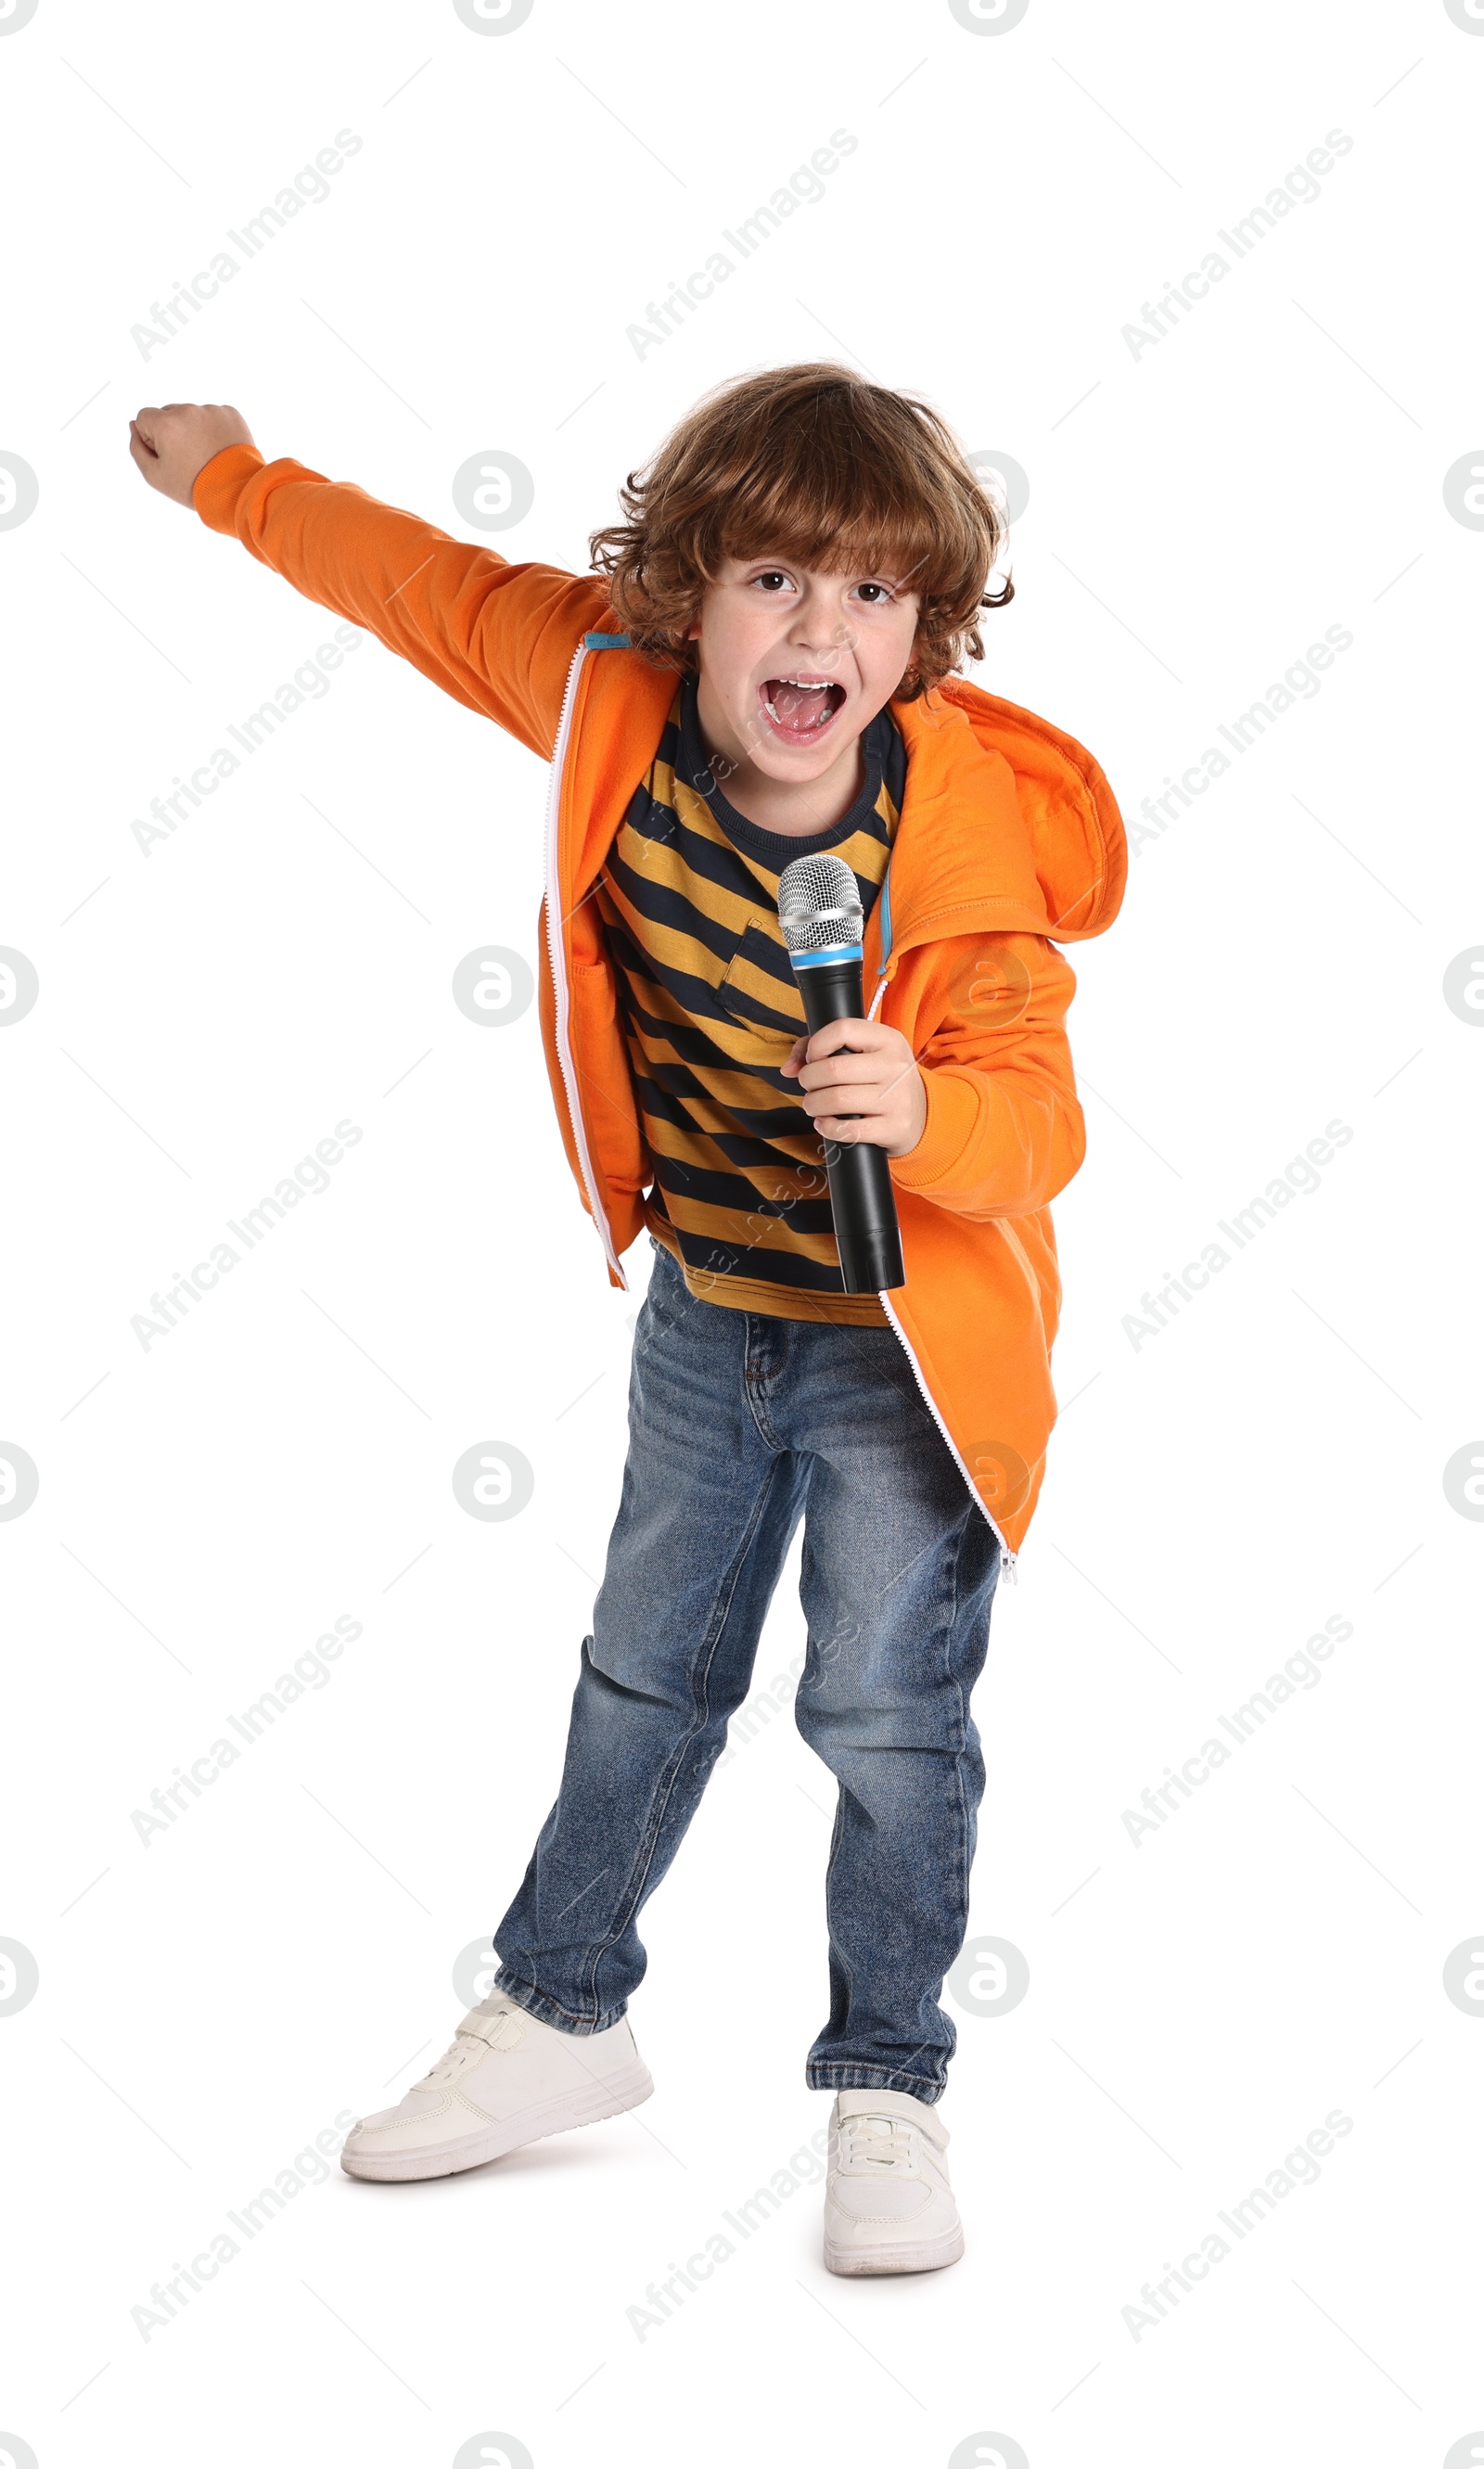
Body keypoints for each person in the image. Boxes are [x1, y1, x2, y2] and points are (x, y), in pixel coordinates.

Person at [129, 365, 1125, 2274]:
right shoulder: (603, 690)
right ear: (685, 592)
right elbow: (412, 583)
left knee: (881, 1710)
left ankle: (885, 2082)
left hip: (901, 1356)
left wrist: (926, 1112)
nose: (813, 628)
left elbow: (1041, 1124)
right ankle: (563, 2010)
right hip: (708, 1314)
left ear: (920, 635)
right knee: (642, 1670)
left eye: (866, 594)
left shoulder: (967, 849)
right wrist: (234, 480)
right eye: (769, 578)